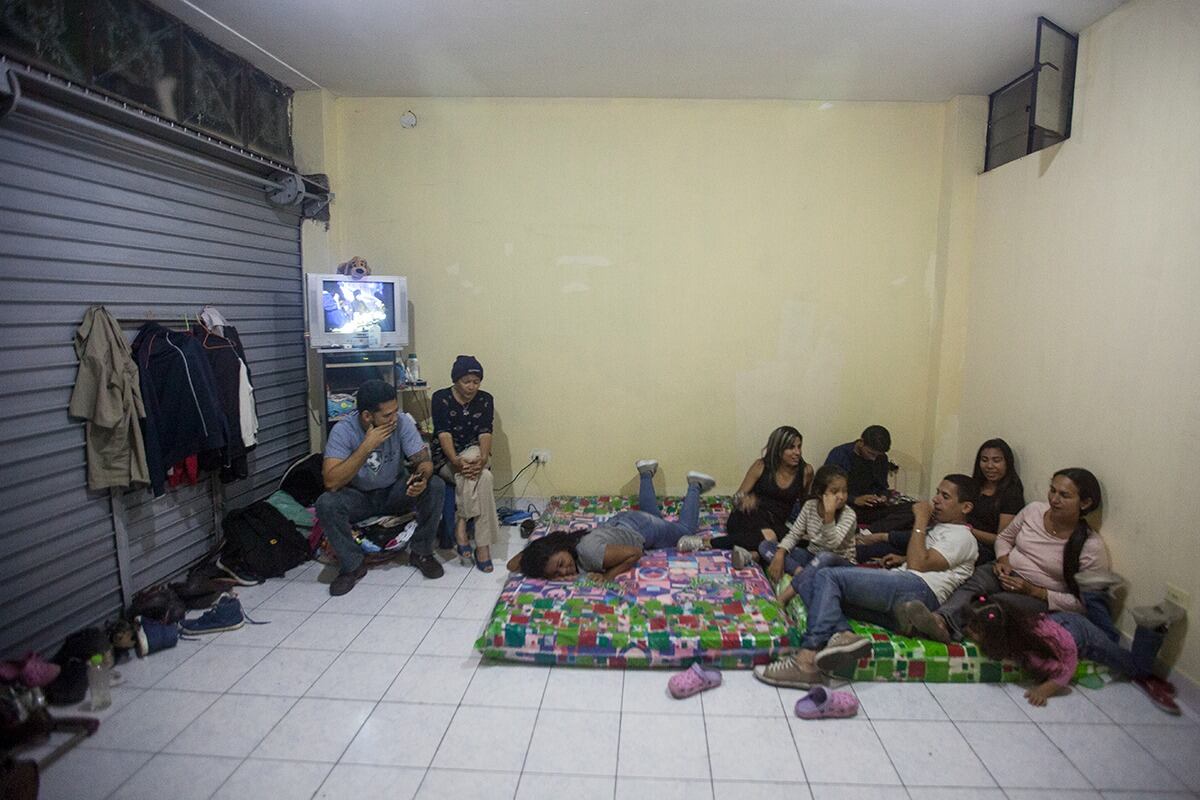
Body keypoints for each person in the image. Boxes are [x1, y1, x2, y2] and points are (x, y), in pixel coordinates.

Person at [754, 475, 979, 688]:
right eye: (937, 493)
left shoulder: (962, 537)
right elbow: (920, 558)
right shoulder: (942, 529)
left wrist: (920, 520)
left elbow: (919, 565)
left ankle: (806, 660)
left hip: (917, 588)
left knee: (826, 575)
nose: (935, 500)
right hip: (903, 588)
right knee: (813, 583)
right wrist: (902, 556)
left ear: (966, 508)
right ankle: (849, 633)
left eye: (945, 497)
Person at [897, 467, 1108, 644]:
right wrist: (1003, 560)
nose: (1054, 499)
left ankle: (945, 628)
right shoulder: (1034, 511)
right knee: (972, 583)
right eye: (1052, 491)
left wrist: (1036, 591)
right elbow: (1004, 538)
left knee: (993, 604)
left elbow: (1083, 603)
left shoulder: (1090, 546)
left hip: (1038, 595)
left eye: (1064, 495)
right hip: (1004, 572)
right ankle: (940, 621)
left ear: (1085, 503)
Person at [315, 379, 445, 596]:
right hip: (359, 497)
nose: (394, 418)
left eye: (395, 411)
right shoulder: (343, 431)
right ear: (367, 416)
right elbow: (331, 481)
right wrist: (367, 446)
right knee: (325, 503)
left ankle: (421, 552)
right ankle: (352, 565)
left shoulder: (401, 422)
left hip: (393, 491)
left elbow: (424, 462)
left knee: (435, 486)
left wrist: (420, 478)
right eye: (387, 415)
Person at [965, 593, 1183, 714]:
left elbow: (1066, 667)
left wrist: (1045, 690)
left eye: (975, 630)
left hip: (1082, 637)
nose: (968, 633)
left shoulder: (1034, 653)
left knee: (1136, 667)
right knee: (1110, 637)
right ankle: (1095, 596)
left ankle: (1150, 628)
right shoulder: (1016, 627)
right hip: (1061, 622)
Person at [508, 460, 716, 581]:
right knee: (653, 517)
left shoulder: (589, 554)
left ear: (558, 549)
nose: (565, 571)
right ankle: (645, 473)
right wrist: (538, 551)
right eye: (557, 573)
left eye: (561, 564)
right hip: (627, 522)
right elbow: (512, 565)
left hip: (641, 530)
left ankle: (695, 485)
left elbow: (634, 553)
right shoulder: (569, 544)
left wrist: (609, 577)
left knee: (685, 530)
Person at [858, 437, 1025, 563]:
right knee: (913, 510)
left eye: (996, 461)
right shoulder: (975, 485)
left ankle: (882, 540)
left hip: (974, 544)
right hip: (949, 531)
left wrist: (967, 529)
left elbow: (1001, 540)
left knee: (911, 538)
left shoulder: (1011, 494)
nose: (989, 466)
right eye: (984, 460)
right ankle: (870, 536)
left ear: (1007, 463)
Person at [432, 355, 498, 571]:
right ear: (455, 380)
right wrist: (454, 460)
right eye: (466, 381)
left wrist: (484, 458)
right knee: (484, 478)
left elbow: (485, 432)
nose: (472, 386)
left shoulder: (485, 399)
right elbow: (443, 433)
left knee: (481, 471)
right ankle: (483, 548)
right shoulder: (440, 398)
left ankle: (461, 524)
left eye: (476, 381)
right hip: (445, 457)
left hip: (475, 453)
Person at [759, 465, 857, 608]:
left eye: (844, 491)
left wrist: (829, 516)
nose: (841, 496)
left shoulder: (848, 514)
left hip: (839, 563)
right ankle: (802, 572)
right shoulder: (810, 506)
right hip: (812, 556)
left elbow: (832, 545)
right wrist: (780, 552)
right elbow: (794, 534)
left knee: (824, 557)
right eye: (835, 492)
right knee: (765, 546)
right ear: (819, 493)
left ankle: (785, 596)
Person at [710, 426, 812, 558]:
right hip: (749, 515)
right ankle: (707, 542)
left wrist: (808, 528)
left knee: (801, 542)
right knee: (770, 538)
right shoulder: (761, 466)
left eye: (799, 447)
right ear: (779, 449)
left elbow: (806, 505)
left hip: (776, 522)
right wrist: (744, 499)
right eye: (791, 448)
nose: (797, 452)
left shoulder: (806, 472)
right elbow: (736, 498)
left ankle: (751, 555)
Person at [825, 424, 913, 534]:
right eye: (871, 453)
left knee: (915, 509)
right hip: (847, 506)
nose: (873, 458)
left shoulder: (881, 458)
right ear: (861, 443)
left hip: (872, 507)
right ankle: (871, 531)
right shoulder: (840, 454)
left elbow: (882, 486)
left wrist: (883, 496)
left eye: (877, 455)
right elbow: (827, 491)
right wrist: (855, 500)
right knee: (836, 514)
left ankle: (869, 532)